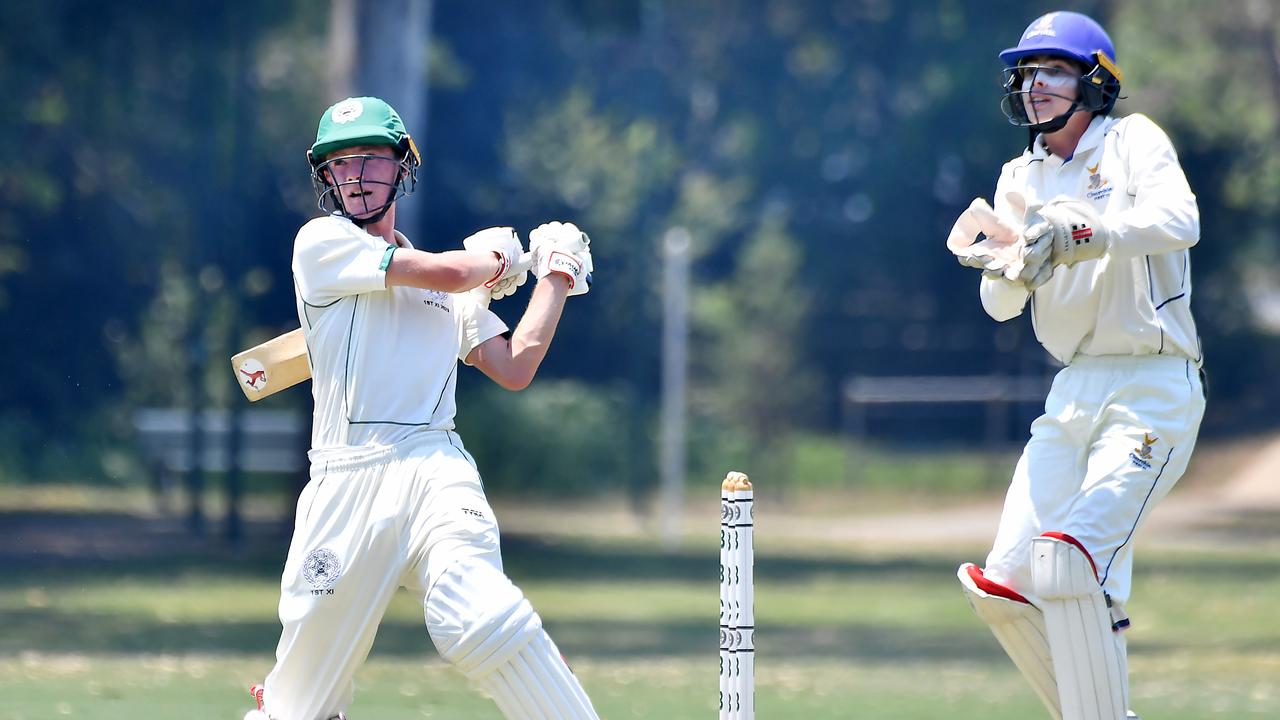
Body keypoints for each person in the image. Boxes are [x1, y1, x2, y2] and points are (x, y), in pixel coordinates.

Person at [244, 96, 598, 720]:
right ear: (325, 177)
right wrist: (499, 259)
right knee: (299, 708)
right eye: (341, 165)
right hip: (345, 482)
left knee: (480, 614)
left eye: (371, 162)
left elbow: (515, 365)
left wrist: (555, 275)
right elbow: (443, 271)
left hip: (434, 463)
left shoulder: (448, 287)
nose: (355, 179)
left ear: (402, 166)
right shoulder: (321, 245)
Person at [946, 11, 1205, 720]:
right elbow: (999, 306)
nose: (1036, 85)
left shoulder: (1132, 141)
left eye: (1054, 70)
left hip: (1154, 381)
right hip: (1073, 388)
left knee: (1069, 560)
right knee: (1002, 580)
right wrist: (1011, 265)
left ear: (1096, 82)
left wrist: (1079, 231)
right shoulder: (1018, 175)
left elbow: (1181, 220)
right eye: (1028, 73)